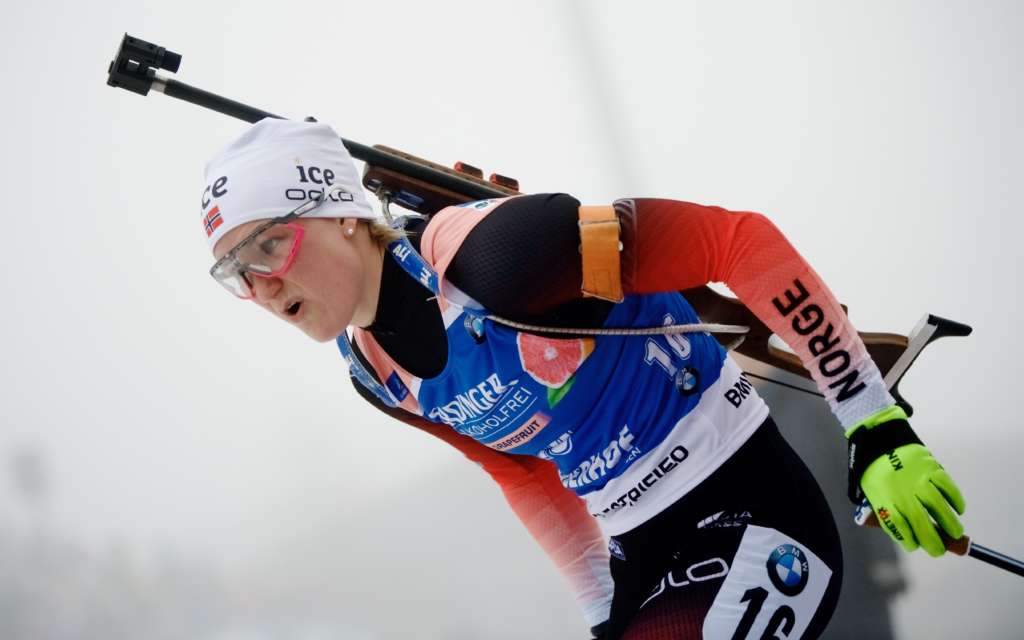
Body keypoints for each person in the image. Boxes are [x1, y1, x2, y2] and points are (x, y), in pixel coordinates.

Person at [199, 118, 966, 639]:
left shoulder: (499, 259)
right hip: (643, 558)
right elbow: (522, 472)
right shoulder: (375, 375)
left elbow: (739, 243)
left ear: (340, 212)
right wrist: (603, 610)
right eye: (235, 271)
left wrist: (875, 425)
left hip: (753, 511)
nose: (260, 285)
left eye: (268, 245)